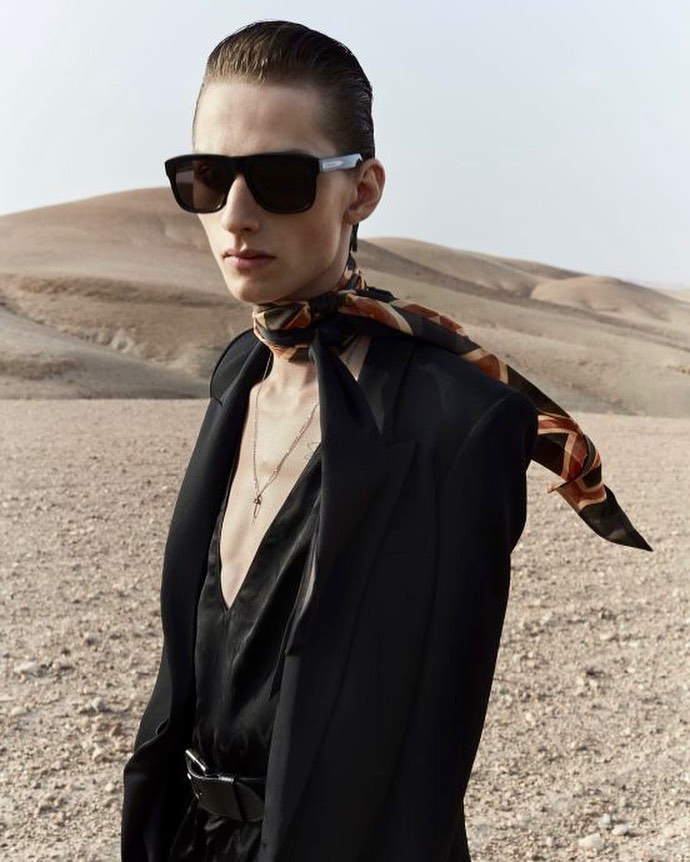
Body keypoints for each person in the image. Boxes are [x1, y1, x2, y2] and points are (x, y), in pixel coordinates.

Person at [121, 20, 650, 862]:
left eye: (281, 179)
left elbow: (428, 755)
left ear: (361, 191)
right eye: (209, 179)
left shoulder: (458, 423)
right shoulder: (236, 375)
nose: (236, 214)